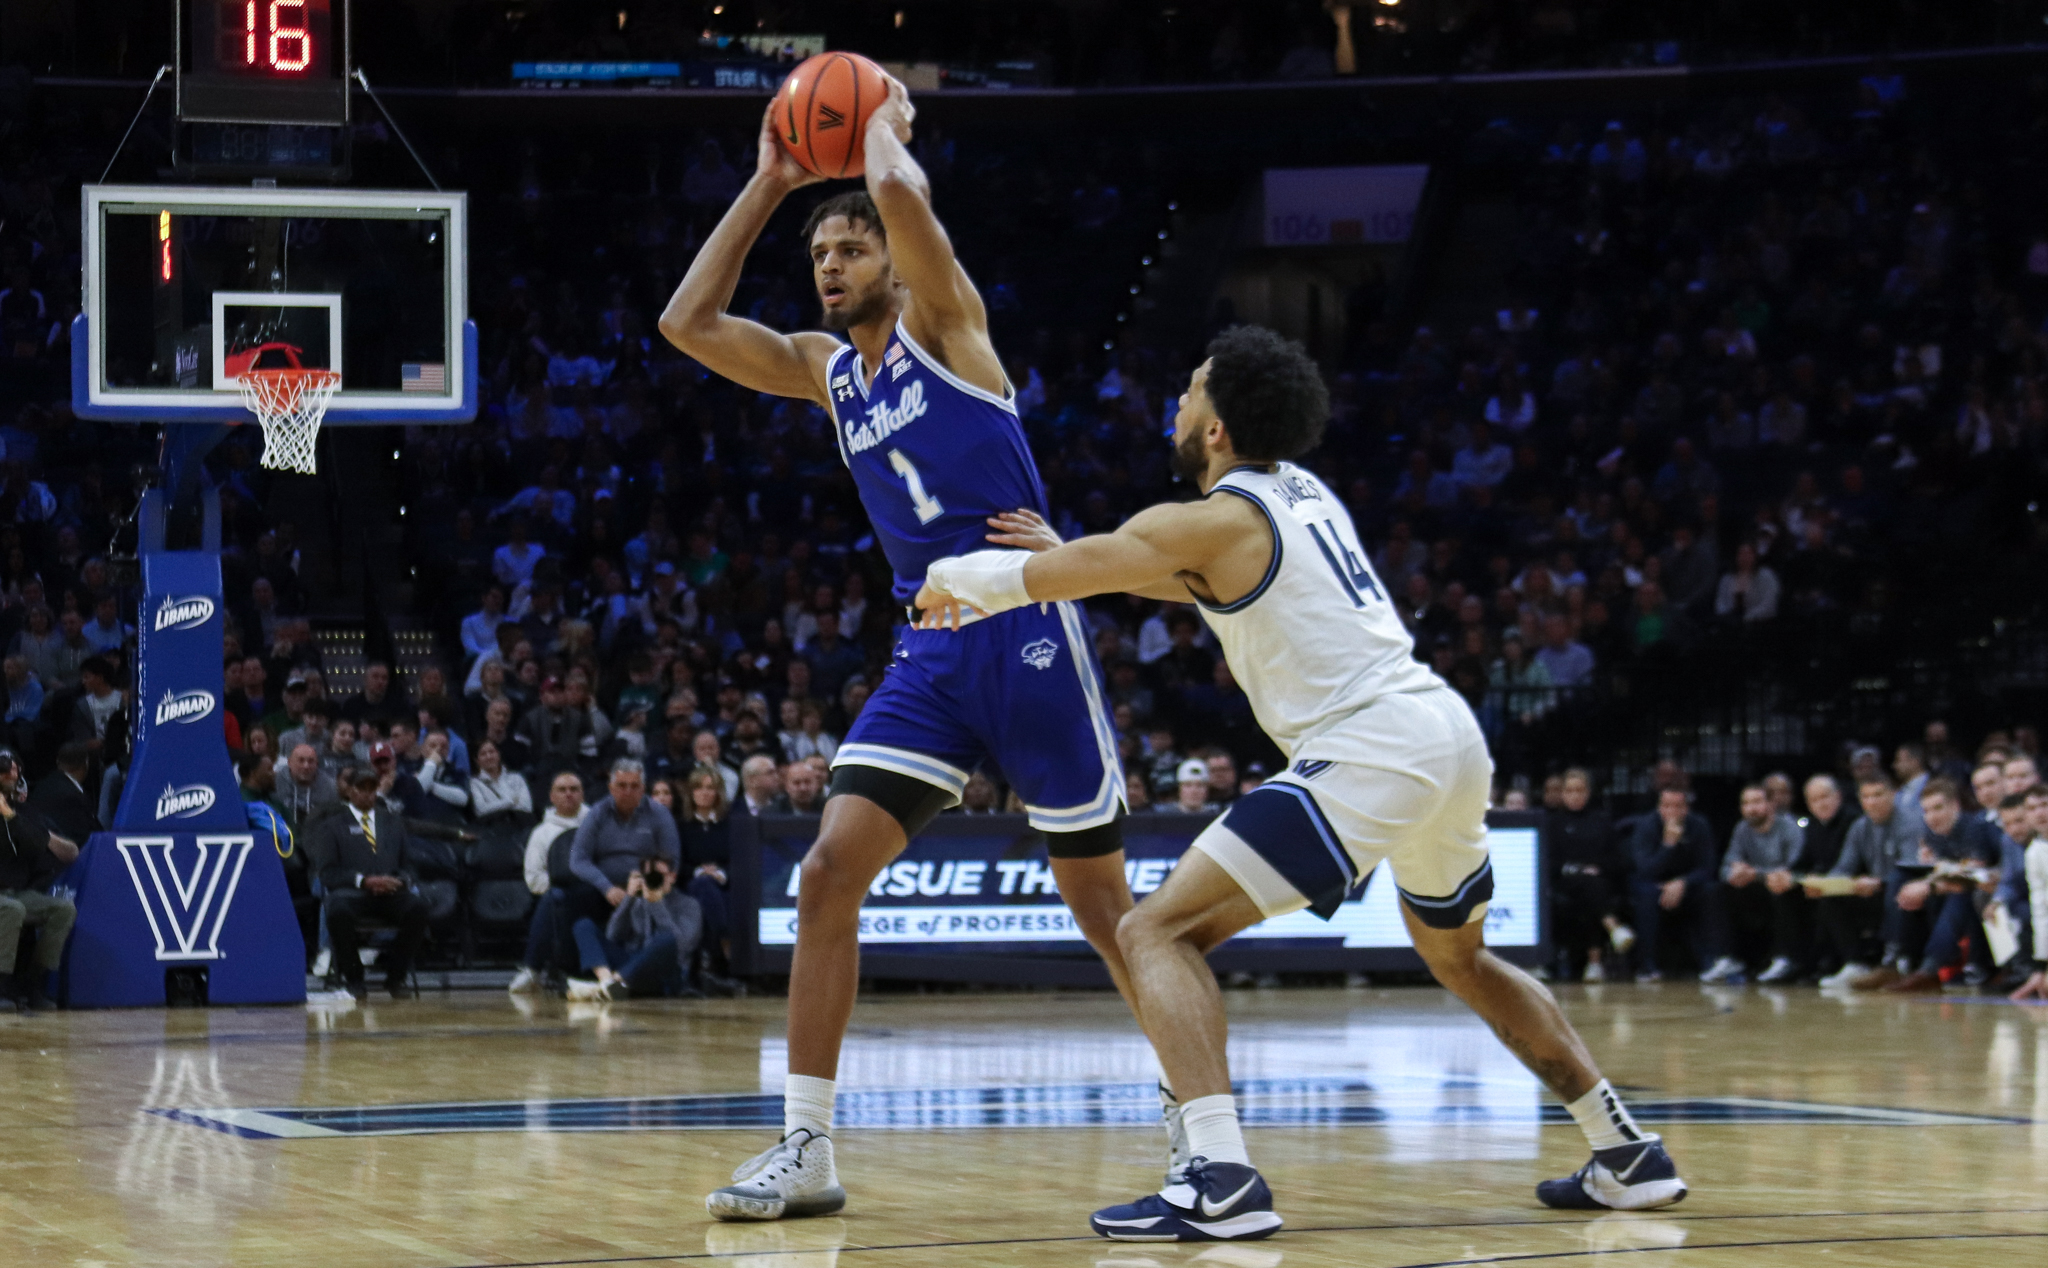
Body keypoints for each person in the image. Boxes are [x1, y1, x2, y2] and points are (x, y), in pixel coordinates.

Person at [917, 326, 1685, 1239]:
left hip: (1369, 747)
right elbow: (1181, 574)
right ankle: (1625, 1150)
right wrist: (1074, 560)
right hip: (1442, 731)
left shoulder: (1206, 518)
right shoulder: (1298, 495)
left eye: (1191, 388)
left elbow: (1081, 567)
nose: (1178, 401)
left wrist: (963, 580)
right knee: (1459, 957)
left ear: (1215, 429)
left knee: (1154, 929)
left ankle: (1218, 1175)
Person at [662, 75, 1142, 1222]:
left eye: (847, 247)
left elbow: (898, 195)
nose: (827, 264)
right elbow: (685, 323)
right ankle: (807, 1144)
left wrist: (877, 116)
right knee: (827, 872)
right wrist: (773, 177)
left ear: (890, 258)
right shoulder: (831, 375)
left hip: (1022, 621)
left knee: (1104, 905)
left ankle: (1196, 1117)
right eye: (818, 252)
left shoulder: (944, 325)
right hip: (927, 648)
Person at [310, 767, 429, 1000]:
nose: (367, 794)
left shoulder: (393, 822)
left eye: (371, 789)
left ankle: (396, 976)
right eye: (361, 788)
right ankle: (354, 978)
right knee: (336, 911)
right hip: (351, 894)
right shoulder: (332, 825)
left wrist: (399, 880)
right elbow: (327, 873)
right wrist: (363, 881)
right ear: (349, 791)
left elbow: (409, 867)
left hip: (390, 893)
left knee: (418, 908)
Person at [0, 748, 77, 1011]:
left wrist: (9, 815)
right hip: (7, 900)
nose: (11, 772)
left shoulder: (22, 813)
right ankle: (2, 987)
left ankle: (33, 985)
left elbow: (46, 845)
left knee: (63, 908)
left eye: (14, 768)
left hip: (16, 891)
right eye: (5, 768)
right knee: (12, 909)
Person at [564, 857, 703, 1001]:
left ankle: (609, 985)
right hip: (631, 970)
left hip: (666, 975)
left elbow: (682, 946)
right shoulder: (637, 902)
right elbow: (612, 936)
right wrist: (628, 898)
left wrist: (657, 904)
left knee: (666, 939)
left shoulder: (689, 905)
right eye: (649, 876)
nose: (654, 879)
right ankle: (607, 983)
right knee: (583, 925)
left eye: (659, 875)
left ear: (672, 877)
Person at [1716, 783, 1808, 983]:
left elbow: (1793, 868)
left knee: (1780, 888)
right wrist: (1735, 873)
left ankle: (1785, 959)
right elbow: (1726, 868)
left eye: (1757, 802)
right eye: (1746, 803)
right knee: (1723, 888)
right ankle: (1730, 958)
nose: (1751, 808)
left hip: (1787, 889)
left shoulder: (1789, 828)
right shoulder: (1741, 829)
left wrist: (1754, 873)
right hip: (1757, 890)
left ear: (1771, 804)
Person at [510, 771, 587, 995]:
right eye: (562, 790)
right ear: (552, 797)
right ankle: (532, 968)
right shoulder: (541, 833)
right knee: (554, 898)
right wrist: (566, 885)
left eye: (574, 789)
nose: (569, 794)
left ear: (582, 794)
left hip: (595, 893)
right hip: (562, 896)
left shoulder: (596, 826)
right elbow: (534, 879)